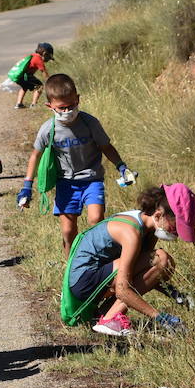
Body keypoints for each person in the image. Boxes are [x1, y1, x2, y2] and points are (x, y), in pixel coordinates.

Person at [17, 73, 135, 254]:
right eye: (61, 108)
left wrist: (121, 166)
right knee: (68, 231)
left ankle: (97, 258)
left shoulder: (89, 123)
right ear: (50, 106)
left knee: (96, 220)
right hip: (65, 183)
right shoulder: (48, 129)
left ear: (77, 99)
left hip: (92, 179)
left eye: (71, 106)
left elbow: (106, 146)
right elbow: (35, 156)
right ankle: (71, 266)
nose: (67, 111)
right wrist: (27, 186)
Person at [64, 184, 195, 337]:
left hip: (97, 277)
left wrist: (174, 293)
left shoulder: (148, 229)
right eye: (175, 228)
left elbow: (146, 275)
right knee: (161, 259)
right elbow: (123, 289)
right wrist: (160, 317)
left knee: (164, 264)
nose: (176, 234)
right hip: (83, 283)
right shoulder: (131, 233)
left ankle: (105, 313)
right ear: (158, 215)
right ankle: (109, 319)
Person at [2, 42, 53, 109]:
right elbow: (44, 72)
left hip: (21, 76)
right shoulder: (38, 59)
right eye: (48, 57)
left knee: (24, 87)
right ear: (44, 53)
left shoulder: (33, 55)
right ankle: (34, 105)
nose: (48, 59)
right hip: (25, 75)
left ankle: (19, 104)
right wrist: (50, 82)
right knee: (39, 86)